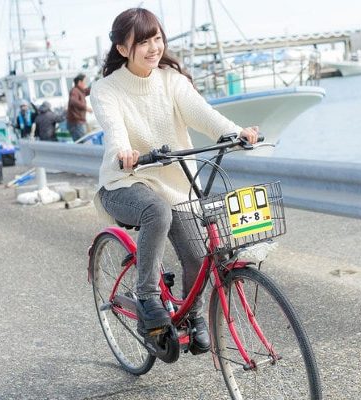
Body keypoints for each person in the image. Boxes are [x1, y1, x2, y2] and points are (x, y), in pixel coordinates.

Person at [90, 7, 259, 353]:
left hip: (175, 185)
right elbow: (114, 129)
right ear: (123, 49)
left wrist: (236, 132)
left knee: (199, 258)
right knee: (157, 211)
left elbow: (203, 115)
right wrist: (125, 151)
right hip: (125, 182)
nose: (154, 47)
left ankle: (191, 315)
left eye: (157, 38)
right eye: (143, 42)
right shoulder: (106, 89)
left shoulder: (171, 80)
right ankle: (147, 296)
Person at [67, 73, 92, 142]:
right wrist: (85, 108)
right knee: (82, 143)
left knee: (83, 143)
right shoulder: (75, 91)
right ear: (80, 82)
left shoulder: (81, 91)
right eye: (85, 82)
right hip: (76, 124)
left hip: (78, 123)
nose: (86, 84)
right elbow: (73, 101)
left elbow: (88, 91)